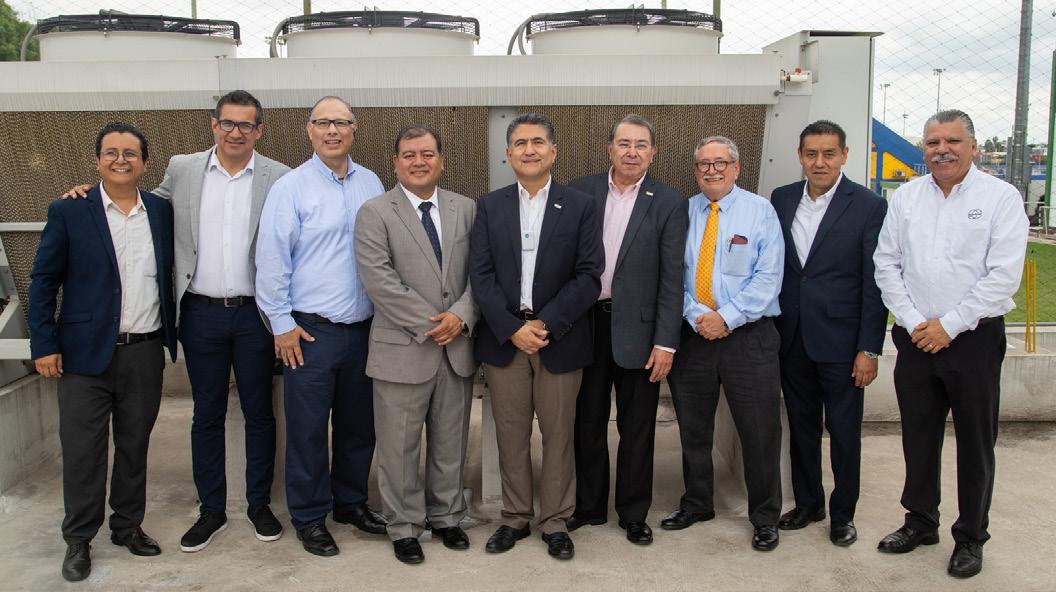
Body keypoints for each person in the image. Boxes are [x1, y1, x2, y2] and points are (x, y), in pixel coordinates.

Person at [62, 90, 290, 552]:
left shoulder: (279, 177)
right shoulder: (184, 168)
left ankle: (259, 504)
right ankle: (211, 510)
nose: (236, 132)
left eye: (246, 125)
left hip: (255, 315)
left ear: (259, 130)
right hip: (200, 313)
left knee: (259, 413)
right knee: (205, 413)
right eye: (228, 123)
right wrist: (87, 194)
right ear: (213, 125)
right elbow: (142, 204)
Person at [873, 109, 1028, 578]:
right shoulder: (906, 197)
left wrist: (951, 325)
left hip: (973, 339)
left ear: (973, 147)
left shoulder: (1001, 198)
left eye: (952, 141)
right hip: (916, 337)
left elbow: (1003, 276)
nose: (942, 150)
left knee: (975, 442)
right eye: (933, 142)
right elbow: (886, 263)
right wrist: (916, 322)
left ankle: (971, 536)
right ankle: (920, 522)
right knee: (918, 437)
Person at [29, 122, 177, 582]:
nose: (120, 160)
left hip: (144, 351)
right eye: (111, 152)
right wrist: (44, 344)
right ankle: (78, 539)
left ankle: (127, 526)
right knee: (83, 451)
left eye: (130, 153)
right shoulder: (70, 210)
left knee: (134, 445)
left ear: (144, 162)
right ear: (97, 161)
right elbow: (43, 281)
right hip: (83, 356)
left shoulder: (161, 211)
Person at [255, 96, 387, 557]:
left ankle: (351, 502)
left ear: (354, 129)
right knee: (308, 430)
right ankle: (310, 516)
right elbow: (272, 259)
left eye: (341, 122)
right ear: (308, 130)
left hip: (364, 330)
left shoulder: (371, 182)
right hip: (310, 333)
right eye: (323, 122)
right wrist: (281, 324)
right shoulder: (290, 188)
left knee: (359, 426)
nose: (333, 130)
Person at [469, 112, 604, 560]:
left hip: (558, 338)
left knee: (559, 434)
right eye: (521, 143)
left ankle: (555, 521)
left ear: (553, 151)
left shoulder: (580, 205)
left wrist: (543, 324)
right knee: (510, 434)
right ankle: (515, 517)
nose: (530, 150)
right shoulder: (490, 206)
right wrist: (513, 328)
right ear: (508, 154)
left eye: (538, 142)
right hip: (506, 340)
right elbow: (481, 275)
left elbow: (589, 275)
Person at [354, 125, 479, 565]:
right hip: (403, 347)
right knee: (399, 447)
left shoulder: (465, 208)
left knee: (451, 440)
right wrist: (434, 324)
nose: (418, 161)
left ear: (442, 161)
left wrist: (461, 315)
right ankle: (404, 525)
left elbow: (480, 272)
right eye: (409, 154)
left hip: (456, 346)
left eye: (427, 154)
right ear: (395, 163)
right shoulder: (374, 212)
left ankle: (447, 516)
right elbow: (378, 279)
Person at [566, 114, 688, 545]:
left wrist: (666, 342)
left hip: (641, 331)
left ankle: (634, 513)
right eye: (624, 143)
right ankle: (589, 506)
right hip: (587, 325)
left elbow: (672, 278)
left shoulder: (669, 202)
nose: (632, 152)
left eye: (640, 145)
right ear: (610, 149)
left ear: (653, 153)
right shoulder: (580, 192)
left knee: (637, 427)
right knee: (587, 421)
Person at [663, 135, 785, 551]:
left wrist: (726, 318)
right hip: (695, 334)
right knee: (694, 428)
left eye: (720, 163)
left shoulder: (760, 211)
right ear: (695, 170)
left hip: (748, 337)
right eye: (703, 164)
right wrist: (698, 316)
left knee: (759, 431)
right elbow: (671, 274)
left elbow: (768, 278)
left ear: (736, 168)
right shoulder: (683, 211)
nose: (711, 170)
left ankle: (765, 516)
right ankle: (698, 503)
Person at [770, 120, 888, 547]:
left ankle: (843, 514)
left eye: (828, 153)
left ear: (844, 155)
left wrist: (868, 348)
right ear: (800, 156)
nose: (819, 162)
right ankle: (808, 504)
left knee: (843, 432)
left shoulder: (869, 206)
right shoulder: (782, 199)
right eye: (811, 154)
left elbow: (875, 283)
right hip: (793, 338)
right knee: (801, 428)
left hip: (842, 343)